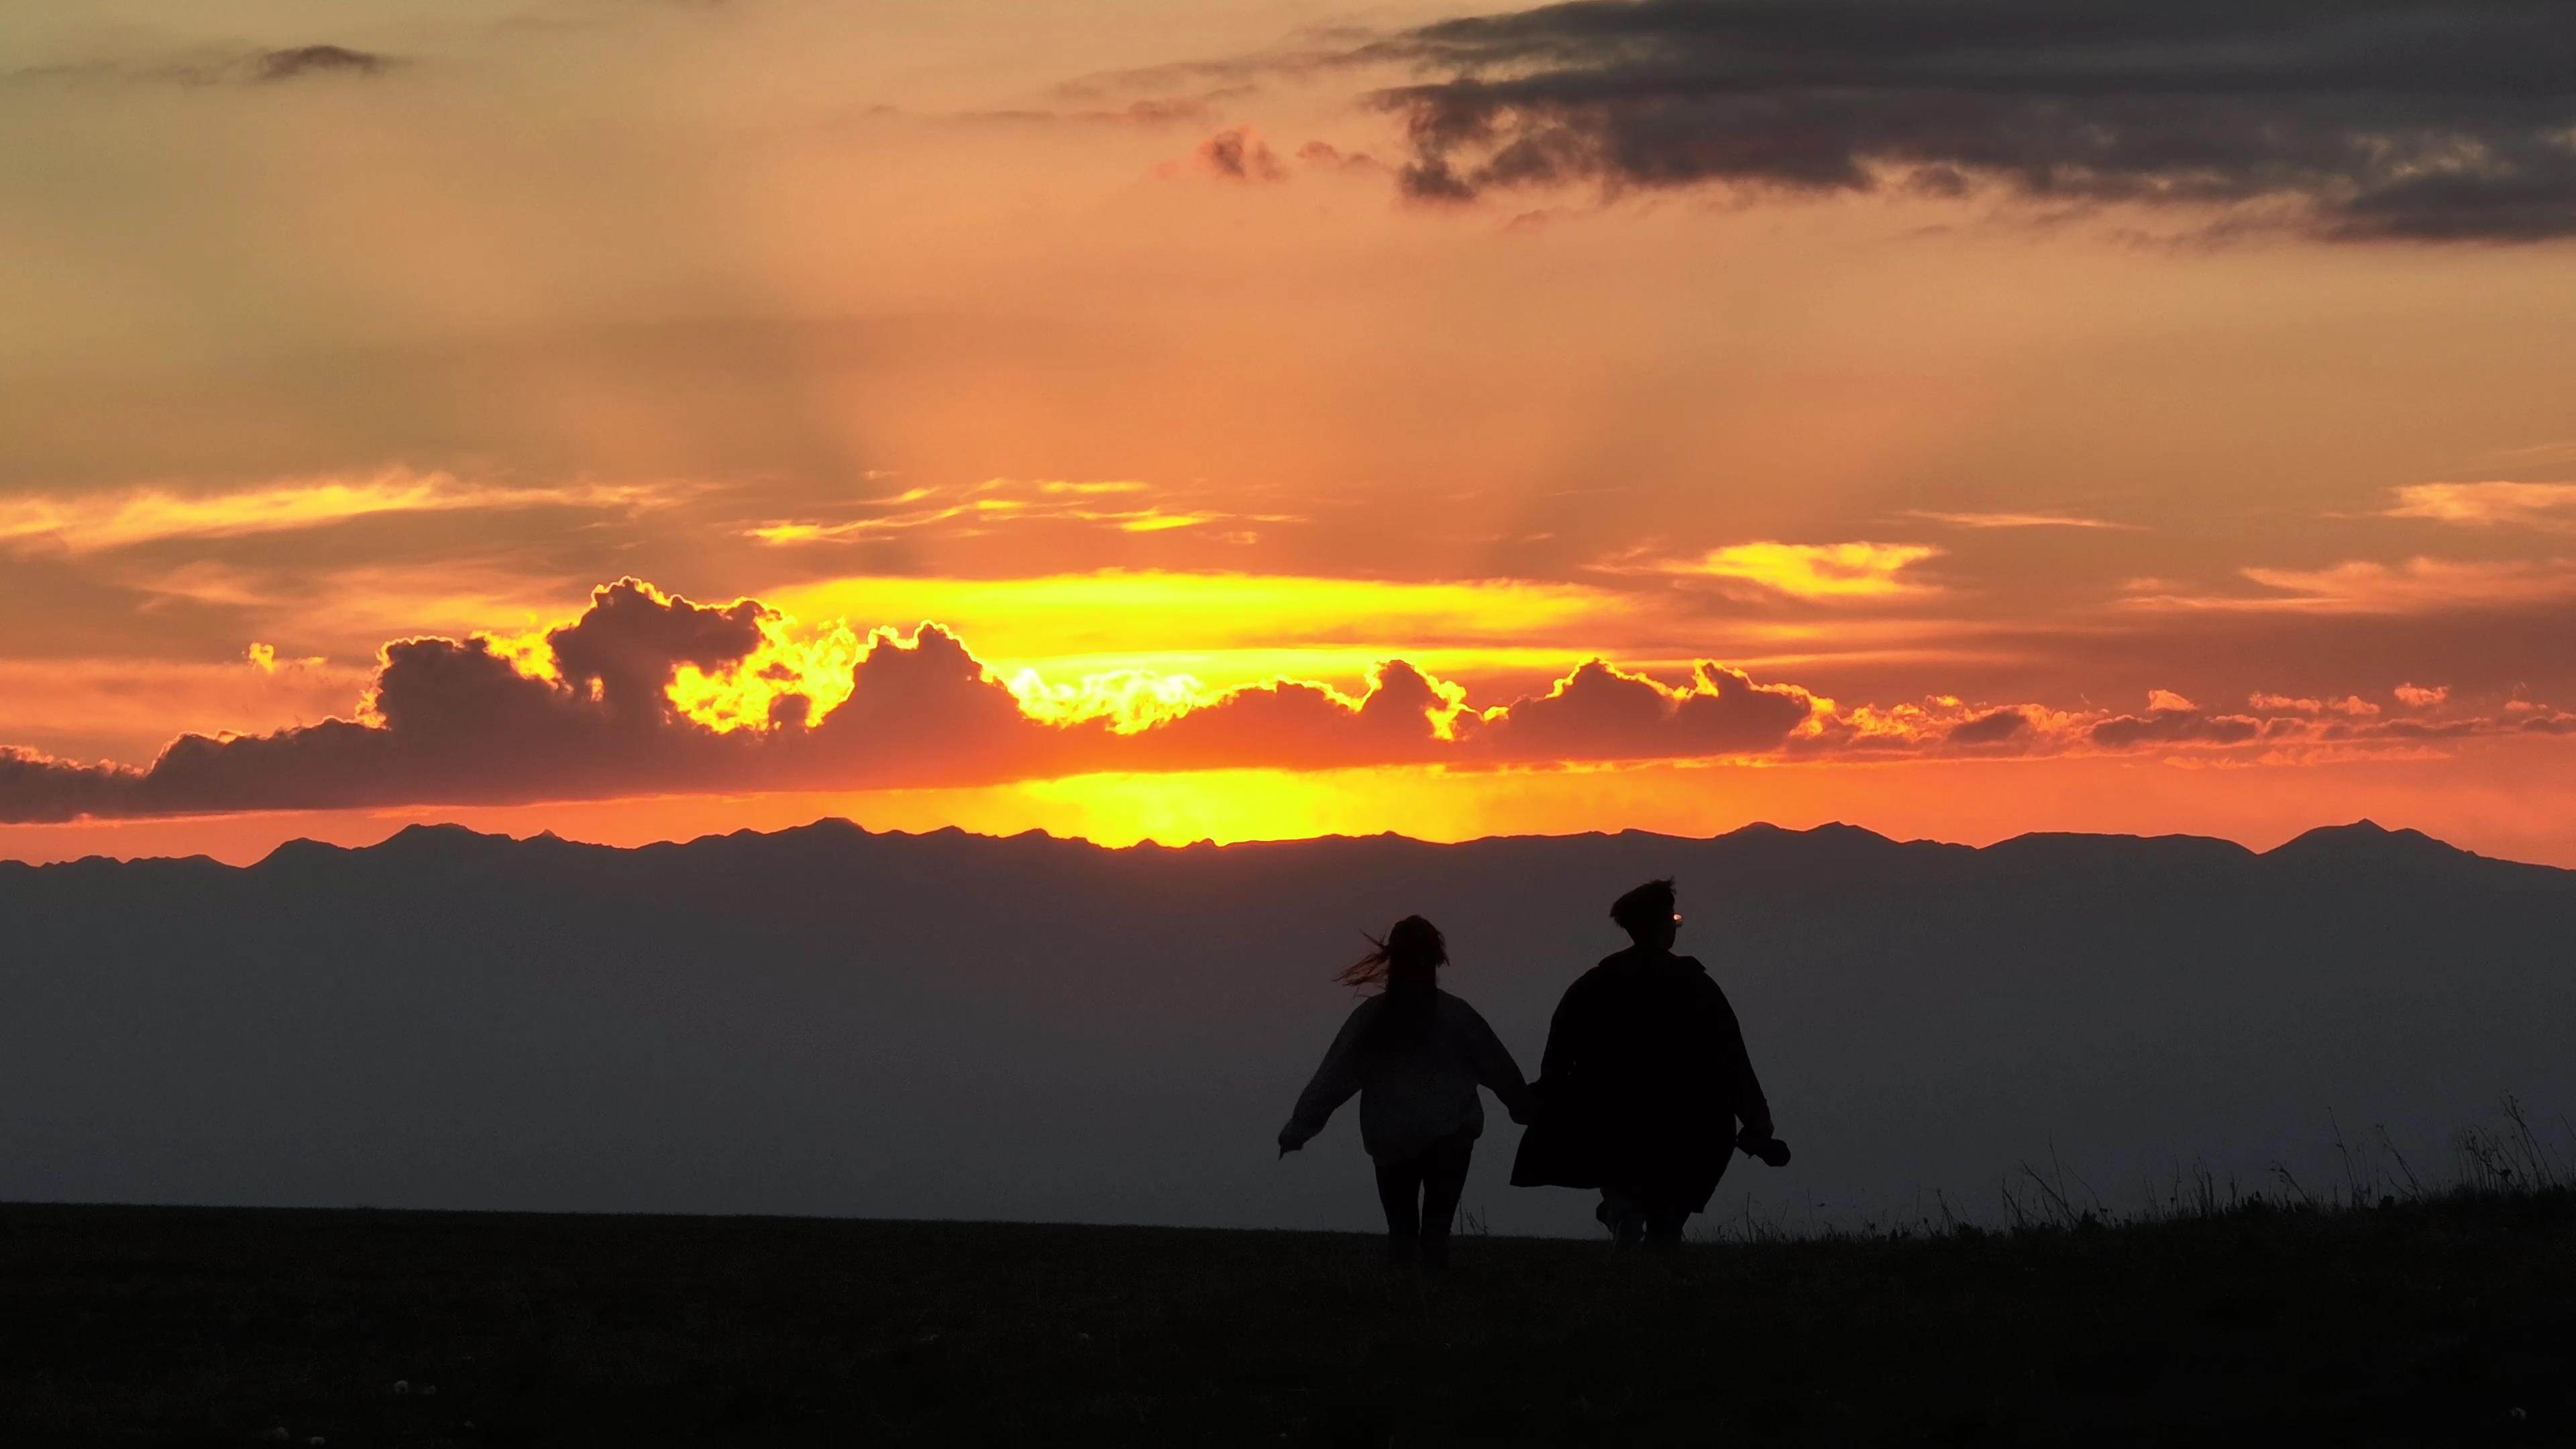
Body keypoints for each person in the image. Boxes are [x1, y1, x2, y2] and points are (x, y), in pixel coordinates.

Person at [1511, 878, 1786, 1249]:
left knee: (1622, 1178)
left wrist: (1545, 1099)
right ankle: (1658, 1236)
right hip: (1691, 1122)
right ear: (1662, 927)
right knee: (1670, 1213)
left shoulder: (1592, 986)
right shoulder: (1697, 987)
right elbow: (1732, 1059)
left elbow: (1558, 1057)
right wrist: (1758, 1123)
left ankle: (1623, 1213)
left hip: (1610, 1118)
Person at [1278, 915, 1536, 1270]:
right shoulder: (1457, 1016)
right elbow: (1498, 1067)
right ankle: (1432, 1301)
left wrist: (1301, 1127)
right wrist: (1522, 1107)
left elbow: (1334, 1078)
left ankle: (1405, 1301)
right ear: (1437, 958)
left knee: (1402, 1231)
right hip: (1451, 1136)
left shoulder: (1372, 1019)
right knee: (1435, 1230)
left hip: (1392, 1137)